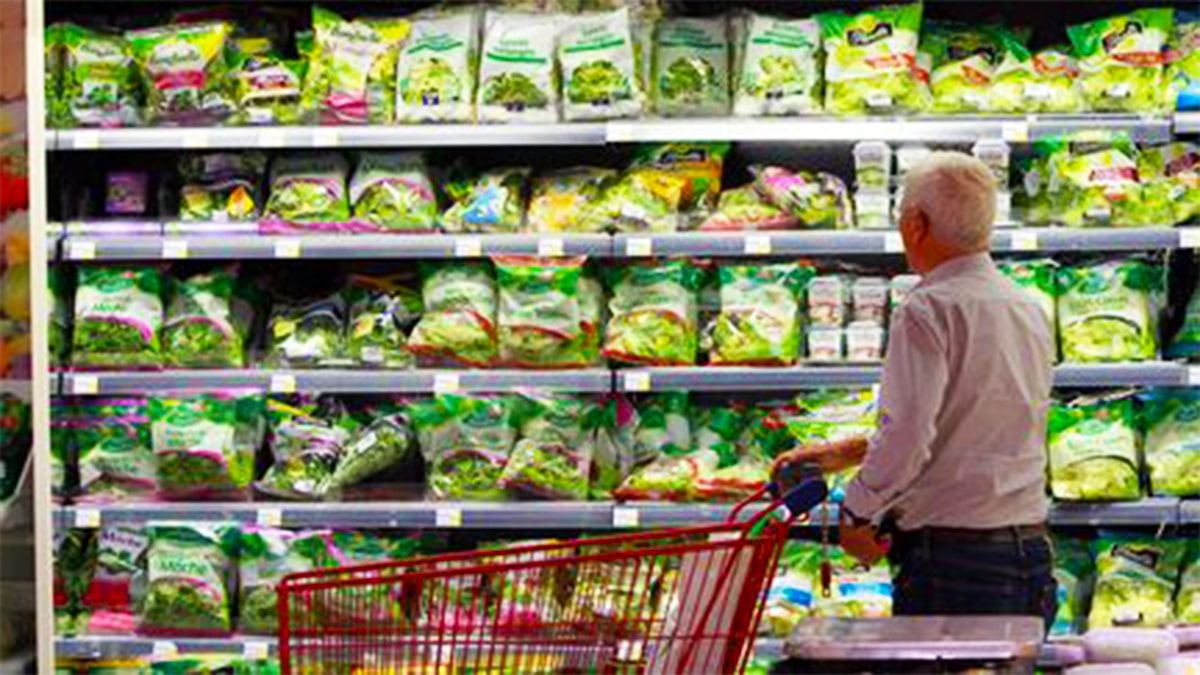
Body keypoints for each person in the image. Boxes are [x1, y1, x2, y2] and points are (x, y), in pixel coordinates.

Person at [774, 151, 1057, 626]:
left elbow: (908, 435)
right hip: (1028, 553)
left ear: (915, 224)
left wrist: (857, 514)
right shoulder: (1026, 307)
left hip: (954, 566)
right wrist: (845, 453)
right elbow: (974, 421)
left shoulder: (927, 308)